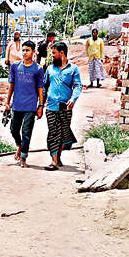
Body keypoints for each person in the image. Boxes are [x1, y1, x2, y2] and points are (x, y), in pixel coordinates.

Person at [44, 41, 82, 170]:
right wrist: (40, 104)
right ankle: (54, 161)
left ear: (62, 53)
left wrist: (73, 99)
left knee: (63, 133)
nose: (52, 56)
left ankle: (58, 157)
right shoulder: (50, 69)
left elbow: (77, 86)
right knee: (53, 133)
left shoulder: (73, 69)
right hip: (51, 106)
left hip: (65, 106)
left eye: (54, 53)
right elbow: (44, 87)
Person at [7, 41, 45, 167]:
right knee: (13, 129)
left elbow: (40, 88)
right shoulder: (15, 66)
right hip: (16, 104)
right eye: (23, 50)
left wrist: (40, 106)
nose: (24, 53)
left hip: (30, 106)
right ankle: (20, 145)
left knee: (26, 132)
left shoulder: (38, 69)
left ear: (33, 52)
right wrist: (7, 102)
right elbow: (11, 85)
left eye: (27, 50)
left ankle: (23, 157)